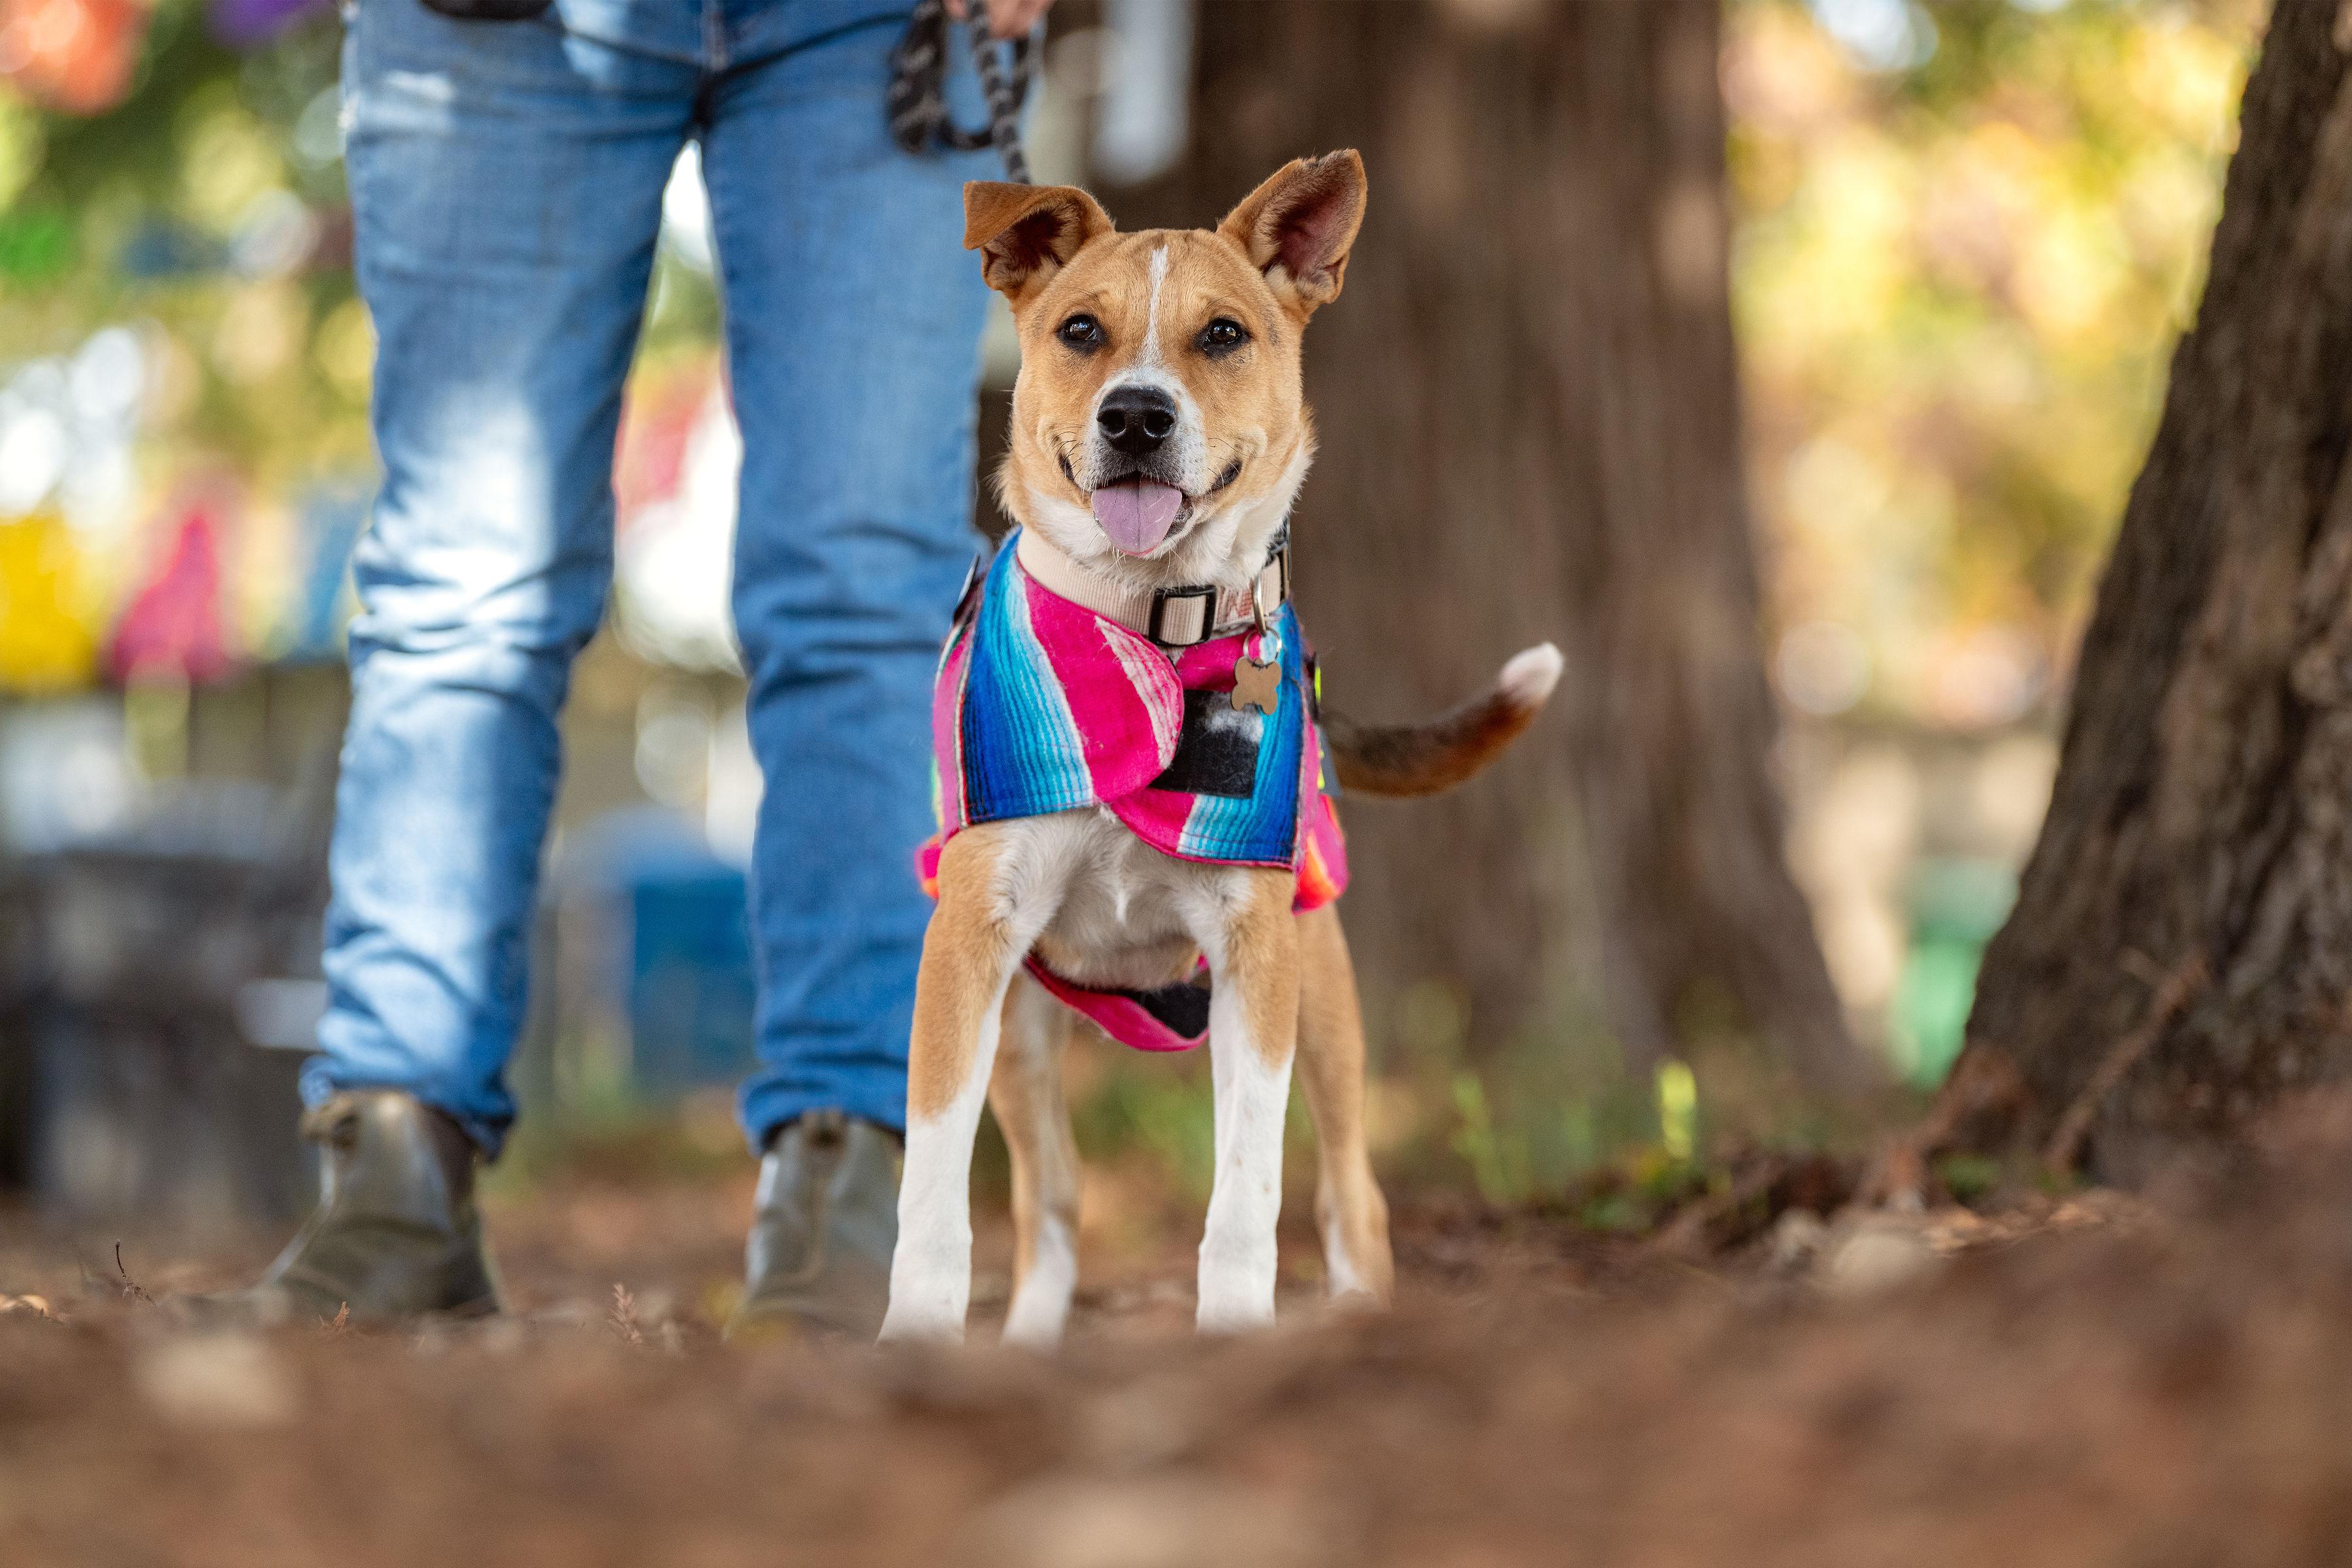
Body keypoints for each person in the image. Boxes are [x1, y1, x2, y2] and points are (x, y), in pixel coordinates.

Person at [207, 0, 1054, 1337]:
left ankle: (852, 1174)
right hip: (496, 24)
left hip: (872, 27)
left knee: (867, 586)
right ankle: (394, 1168)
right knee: (462, 583)